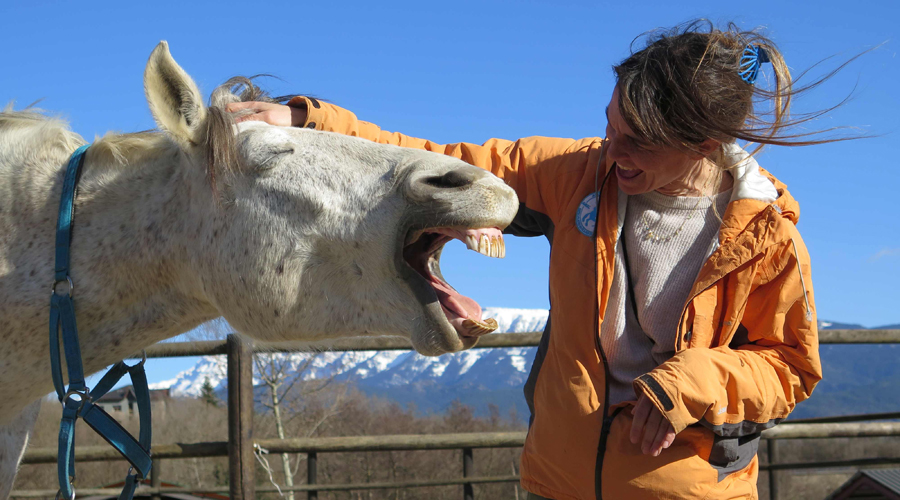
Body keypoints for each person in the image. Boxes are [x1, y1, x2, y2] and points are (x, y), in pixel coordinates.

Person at [229, 21, 827, 500]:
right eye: (610, 126)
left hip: (685, 490)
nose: (612, 150)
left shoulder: (767, 239)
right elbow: (439, 164)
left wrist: (693, 381)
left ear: (704, 144)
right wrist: (312, 121)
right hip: (556, 481)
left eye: (638, 142)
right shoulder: (576, 175)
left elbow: (791, 367)